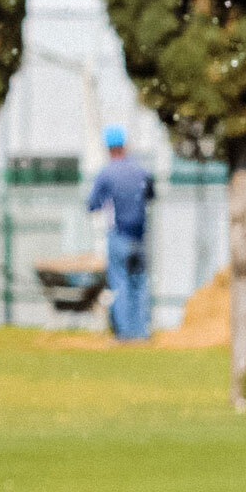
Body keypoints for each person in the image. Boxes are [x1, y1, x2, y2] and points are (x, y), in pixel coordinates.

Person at [85, 125, 155, 340]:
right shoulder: (141, 171)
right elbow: (151, 195)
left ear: (108, 148)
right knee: (139, 282)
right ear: (125, 145)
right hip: (139, 237)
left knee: (120, 282)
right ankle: (142, 331)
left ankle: (125, 334)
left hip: (118, 235)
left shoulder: (106, 174)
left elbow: (92, 204)